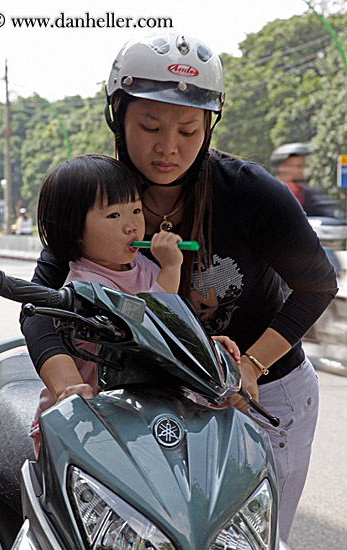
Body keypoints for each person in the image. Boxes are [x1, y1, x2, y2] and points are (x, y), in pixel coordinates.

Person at [21, 33, 338, 542]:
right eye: (149, 125)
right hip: (138, 394)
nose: (169, 147)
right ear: (117, 117)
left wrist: (249, 365)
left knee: (250, 534)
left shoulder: (251, 193)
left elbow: (319, 283)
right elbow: (39, 304)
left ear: (209, 127)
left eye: (189, 130)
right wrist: (65, 385)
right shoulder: (95, 192)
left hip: (261, 393)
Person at [29, 152, 241, 456]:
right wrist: (171, 270)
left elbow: (171, 330)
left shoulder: (144, 267)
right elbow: (148, 324)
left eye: (137, 210)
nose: (132, 226)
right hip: (85, 422)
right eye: (114, 216)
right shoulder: (85, 285)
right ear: (75, 231)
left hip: (137, 415)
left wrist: (203, 345)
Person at [270, 142, 337, 217]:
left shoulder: (312, 196)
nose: (302, 171)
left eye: (304, 166)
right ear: (280, 168)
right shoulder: (270, 196)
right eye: (298, 166)